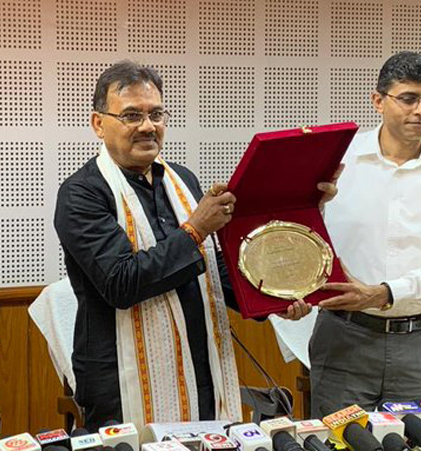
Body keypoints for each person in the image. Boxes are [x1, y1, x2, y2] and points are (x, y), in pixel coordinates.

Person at [53, 61, 326, 429]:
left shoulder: (182, 179)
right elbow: (121, 282)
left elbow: (212, 269)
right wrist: (196, 229)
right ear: (98, 124)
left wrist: (273, 299)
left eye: (156, 114)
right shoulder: (81, 193)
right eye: (132, 115)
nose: (147, 126)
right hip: (120, 379)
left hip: (201, 365)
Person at [305, 51, 421, 417]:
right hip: (344, 339)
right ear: (378, 101)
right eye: (408, 98)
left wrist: (382, 294)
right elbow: (299, 235)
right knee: (338, 441)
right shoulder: (336, 158)